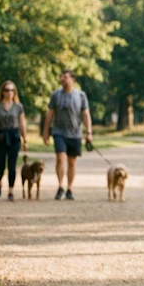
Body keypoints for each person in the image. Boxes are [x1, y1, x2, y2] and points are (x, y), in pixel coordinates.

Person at [42, 69, 92, 201]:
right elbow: (50, 114)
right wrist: (46, 131)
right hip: (59, 132)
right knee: (60, 158)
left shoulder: (81, 95)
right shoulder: (56, 95)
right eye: (61, 77)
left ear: (72, 79)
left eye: (65, 77)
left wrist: (89, 132)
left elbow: (85, 114)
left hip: (75, 133)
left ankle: (69, 188)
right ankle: (60, 186)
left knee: (72, 162)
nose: (62, 79)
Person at [0, 80, 28, 202]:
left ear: (15, 92)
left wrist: (25, 139)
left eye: (12, 90)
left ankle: (11, 191)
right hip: (0, 136)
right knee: (0, 165)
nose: (9, 93)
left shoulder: (18, 107)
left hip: (14, 137)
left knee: (12, 165)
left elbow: (22, 123)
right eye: (7, 90)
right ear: (2, 92)